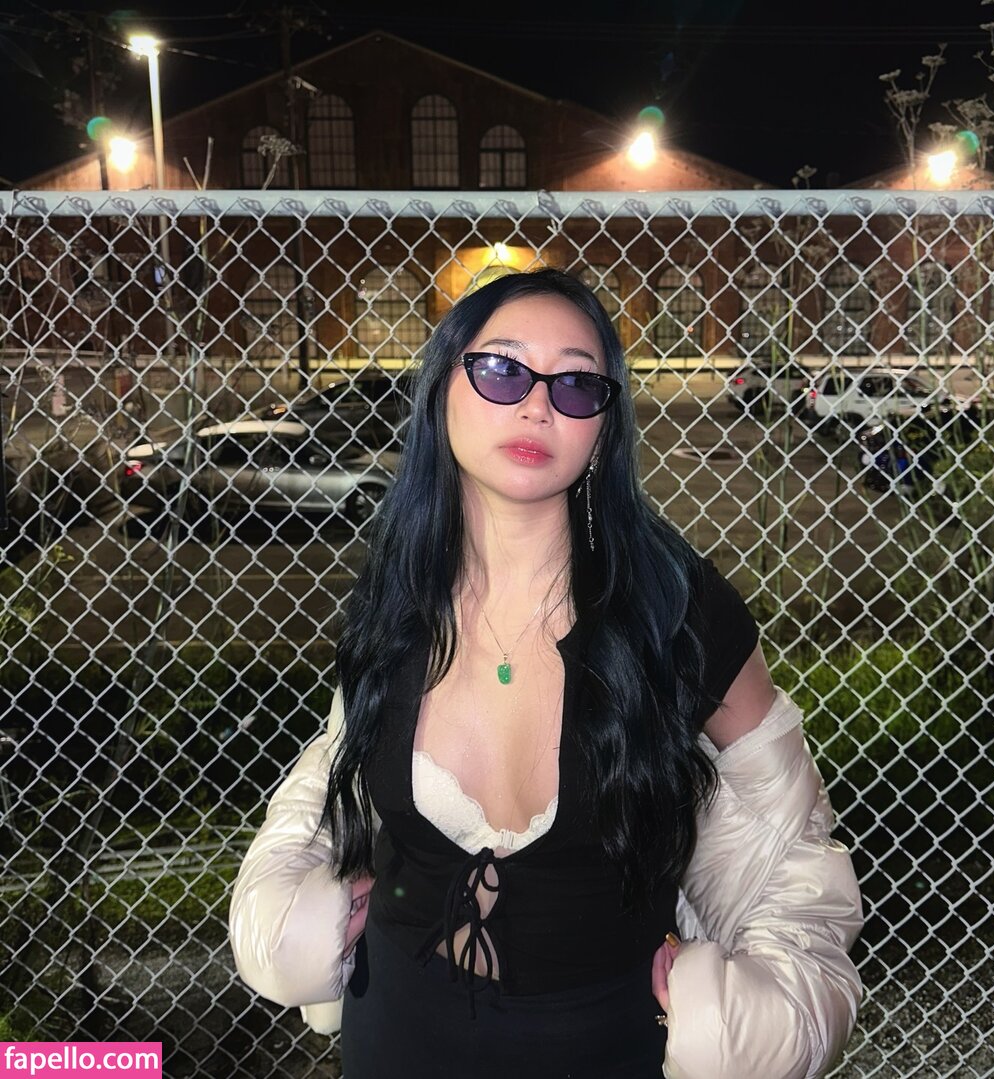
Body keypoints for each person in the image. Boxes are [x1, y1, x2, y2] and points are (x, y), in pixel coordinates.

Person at [229, 268, 863, 1078]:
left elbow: (789, 839)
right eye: (502, 369)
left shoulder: (676, 605)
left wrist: (758, 1016)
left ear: (603, 424)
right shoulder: (397, 594)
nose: (537, 404)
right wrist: (284, 916)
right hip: (394, 1032)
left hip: (608, 1044)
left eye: (575, 383)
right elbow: (334, 766)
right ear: (443, 388)